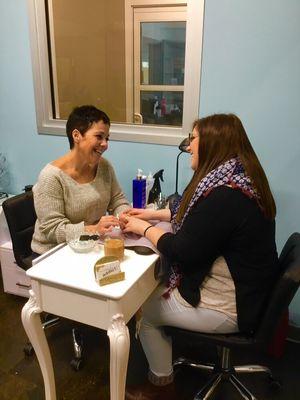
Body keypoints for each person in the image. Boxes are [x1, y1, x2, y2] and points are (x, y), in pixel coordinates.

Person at [121, 113, 279, 400]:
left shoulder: (225, 195)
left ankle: (161, 387)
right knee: (154, 286)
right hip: (252, 294)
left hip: (230, 307)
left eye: (192, 139)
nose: (188, 146)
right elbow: (197, 216)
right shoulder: (237, 178)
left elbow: (182, 251)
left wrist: (143, 228)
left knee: (141, 308)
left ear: (212, 143)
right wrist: (152, 214)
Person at [31, 105, 130, 255]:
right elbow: (53, 229)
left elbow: (117, 200)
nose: (105, 144)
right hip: (53, 253)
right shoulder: (51, 177)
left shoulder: (104, 166)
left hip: (88, 244)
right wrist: (92, 229)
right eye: (99, 136)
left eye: (107, 138)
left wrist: (124, 216)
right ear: (76, 136)